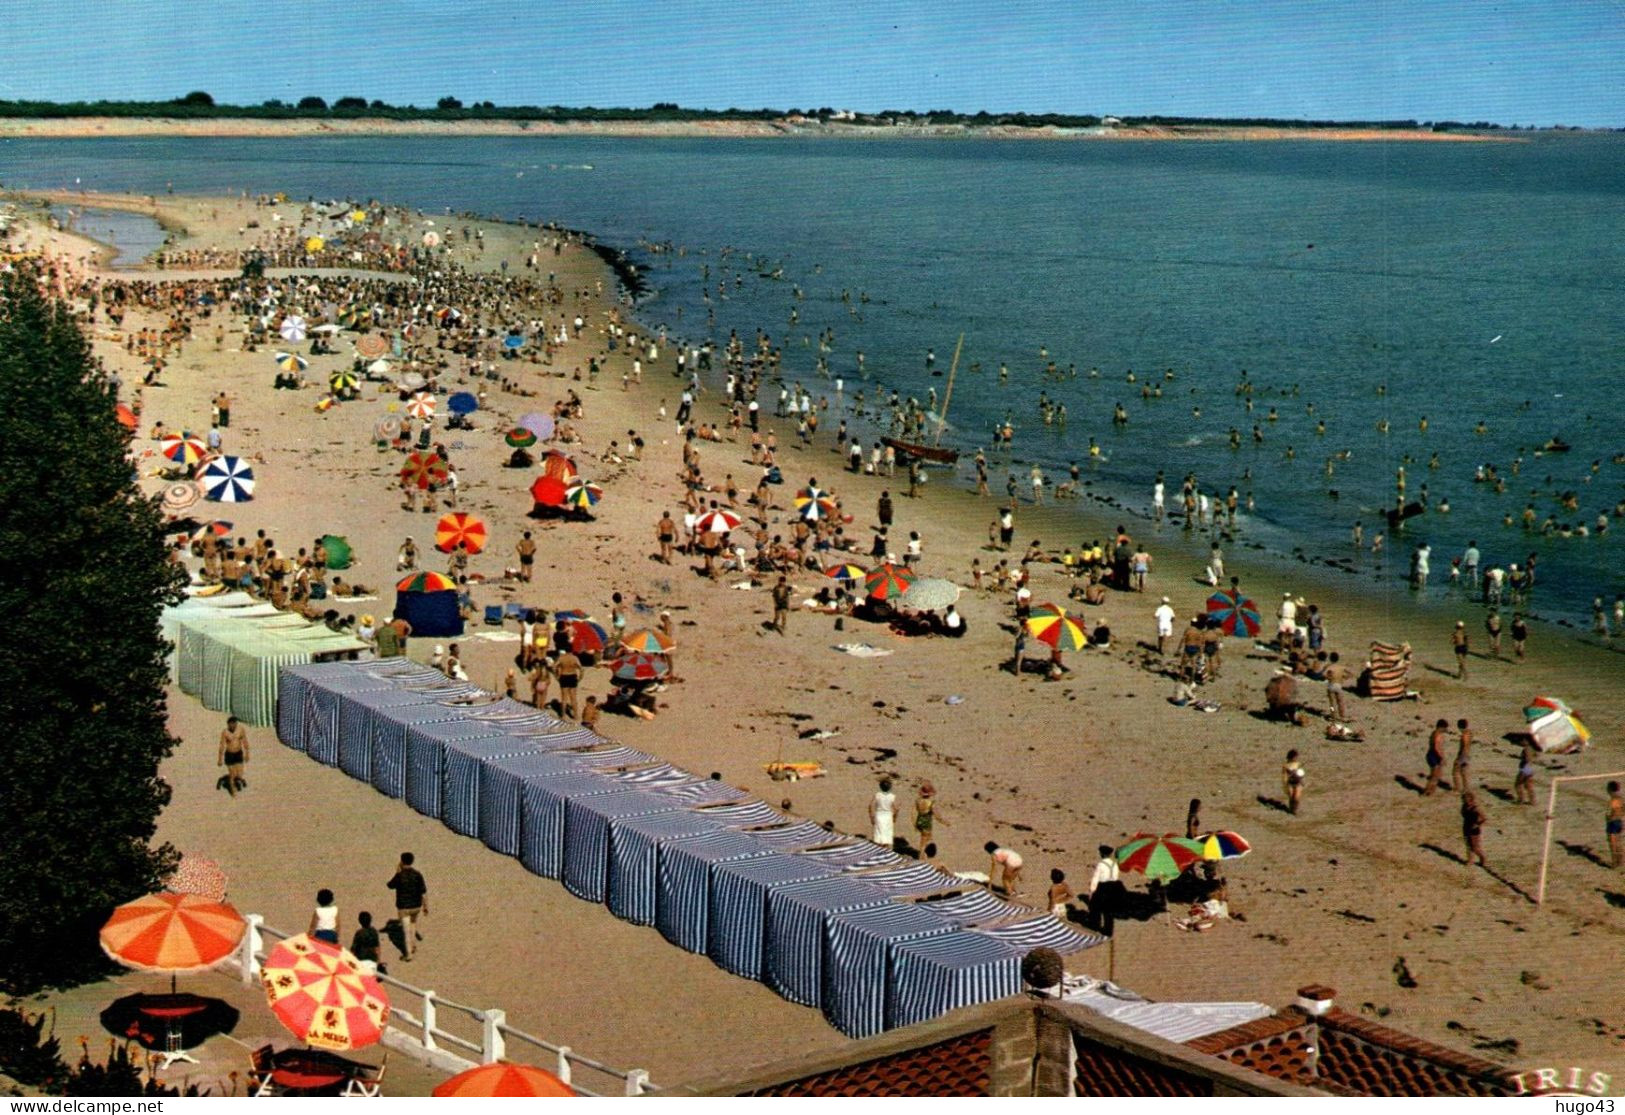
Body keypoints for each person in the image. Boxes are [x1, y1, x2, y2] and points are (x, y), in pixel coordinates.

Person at [387, 853, 428, 961]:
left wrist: (397, 871)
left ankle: (409, 953)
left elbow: (390, 885)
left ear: (402, 861)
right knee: (413, 924)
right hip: (416, 905)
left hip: (404, 906)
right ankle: (413, 944)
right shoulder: (418, 874)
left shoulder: (400, 875)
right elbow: (423, 891)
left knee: (406, 931)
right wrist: (425, 906)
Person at [1085, 844, 1123, 935]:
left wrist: (1092, 890)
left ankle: (1095, 926)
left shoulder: (1101, 865)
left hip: (1102, 887)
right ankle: (1108, 930)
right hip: (1113, 887)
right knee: (1109, 910)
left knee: (1095, 907)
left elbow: (1095, 878)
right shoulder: (1115, 864)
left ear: (1102, 854)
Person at [217, 715, 249, 796]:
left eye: (234, 724)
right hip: (229, 755)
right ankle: (233, 790)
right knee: (232, 774)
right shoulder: (225, 732)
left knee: (239, 774)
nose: (232, 726)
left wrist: (247, 753)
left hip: (238, 753)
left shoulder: (240, 730)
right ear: (228, 724)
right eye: (230, 724)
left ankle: (239, 780)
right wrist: (220, 759)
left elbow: (244, 741)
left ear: (236, 724)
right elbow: (222, 745)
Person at [913, 782, 942, 854]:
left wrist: (914, 823)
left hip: (919, 820)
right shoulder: (931, 803)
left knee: (927, 838)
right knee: (924, 841)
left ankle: (924, 854)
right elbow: (936, 815)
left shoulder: (918, 801)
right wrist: (943, 821)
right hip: (926, 823)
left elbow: (914, 812)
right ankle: (921, 855)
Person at [1461, 792, 1488, 868]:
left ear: (1471, 799)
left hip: (1474, 830)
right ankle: (1470, 860)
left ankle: (1483, 859)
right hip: (1466, 827)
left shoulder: (1476, 808)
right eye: (1464, 799)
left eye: (1467, 799)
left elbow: (1484, 819)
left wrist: (1477, 824)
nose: (1465, 801)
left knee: (1475, 847)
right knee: (1468, 845)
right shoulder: (1464, 806)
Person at [1423, 719, 1449, 796]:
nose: (1445, 730)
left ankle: (1431, 791)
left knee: (1437, 775)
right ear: (1441, 727)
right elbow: (1436, 747)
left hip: (1434, 755)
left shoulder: (1436, 734)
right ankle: (1426, 791)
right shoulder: (1437, 734)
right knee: (1434, 775)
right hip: (1434, 755)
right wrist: (1442, 757)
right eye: (1444, 728)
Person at [554, 648, 582, 719]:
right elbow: (581, 669)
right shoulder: (575, 658)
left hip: (564, 676)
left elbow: (554, 666)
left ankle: (563, 715)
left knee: (564, 698)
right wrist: (580, 678)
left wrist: (556, 676)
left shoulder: (562, 658)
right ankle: (575, 715)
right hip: (572, 676)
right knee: (573, 698)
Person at [870, 778, 897, 849]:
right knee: (887, 835)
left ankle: (878, 849)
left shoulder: (877, 795)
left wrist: (871, 816)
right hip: (888, 815)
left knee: (878, 834)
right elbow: (896, 808)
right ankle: (885, 849)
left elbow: (871, 805)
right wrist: (895, 817)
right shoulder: (892, 796)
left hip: (879, 814)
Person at [1452, 718, 1474, 793]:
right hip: (1467, 755)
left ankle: (1457, 788)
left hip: (1462, 755)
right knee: (1463, 772)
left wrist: (1459, 758)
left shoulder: (1464, 735)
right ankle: (1466, 788)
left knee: (1455, 771)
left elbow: (1464, 746)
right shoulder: (1469, 733)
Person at [1282, 749, 1305, 814]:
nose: (1295, 758)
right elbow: (1284, 775)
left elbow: (1302, 773)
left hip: (1298, 782)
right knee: (1291, 795)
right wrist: (1285, 783)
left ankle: (1294, 810)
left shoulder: (1298, 764)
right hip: (1290, 782)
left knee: (1296, 796)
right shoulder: (1285, 766)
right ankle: (1291, 809)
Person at [1607, 781, 1624, 868]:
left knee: (1612, 843)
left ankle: (1614, 862)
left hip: (1612, 823)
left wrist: (1609, 818)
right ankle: (1621, 861)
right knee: (1619, 842)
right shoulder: (1621, 800)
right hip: (1620, 821)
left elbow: (1609, 813)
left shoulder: (1612, 801)